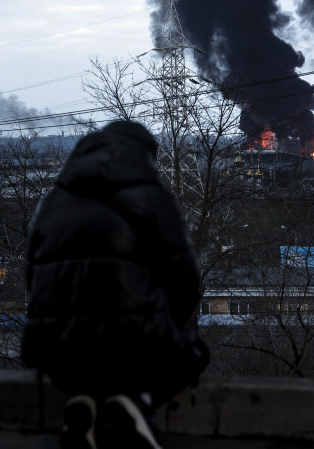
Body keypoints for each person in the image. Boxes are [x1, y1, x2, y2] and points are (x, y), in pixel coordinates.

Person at [22, 121, 209, 449]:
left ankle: (85, 407)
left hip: (58, 353)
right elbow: (184, 281)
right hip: (133, 349)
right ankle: (136, 404)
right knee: (192, 354)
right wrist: (166, 324)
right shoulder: (153, 198)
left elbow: (33, 281)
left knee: (92, 354)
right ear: (142, 157)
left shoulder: (51, 201)